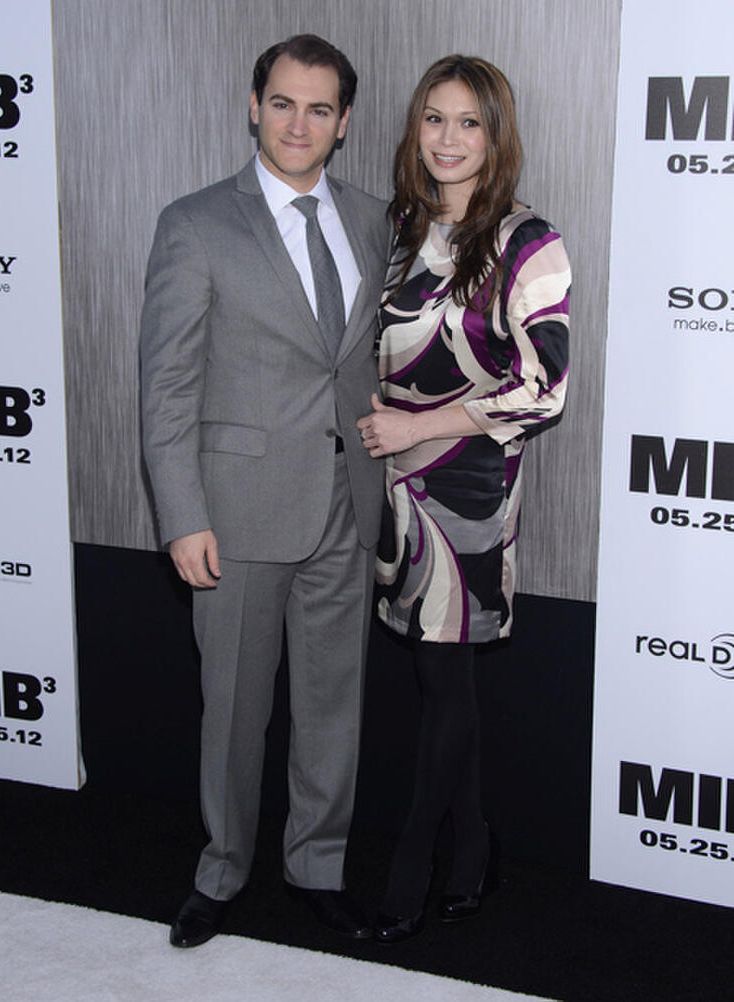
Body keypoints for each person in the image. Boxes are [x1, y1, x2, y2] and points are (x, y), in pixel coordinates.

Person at [140, 34, 388, 948]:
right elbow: (165, 384)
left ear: (343, 122)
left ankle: (317, 866)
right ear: (254, 106)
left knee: (334, 703)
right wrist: (182, 515)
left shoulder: (371, 219)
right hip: (235, 513)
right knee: (236, 706)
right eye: (282, 102)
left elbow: (359, 358)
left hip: (346, 503)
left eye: (319, 108)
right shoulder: (196, 222)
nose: (299, 122)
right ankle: (222, 870)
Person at [357, 54, 570, 942]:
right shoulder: (400, 227)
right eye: (433, 119)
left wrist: (420, 427)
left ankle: (414, 862)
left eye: (468, 122)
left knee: (445, 672)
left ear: (495, 135)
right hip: (395, 484)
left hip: (469, 486)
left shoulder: (527, 240)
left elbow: (545, 385)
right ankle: (476, 847)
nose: (448, 138)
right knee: (439, 676)